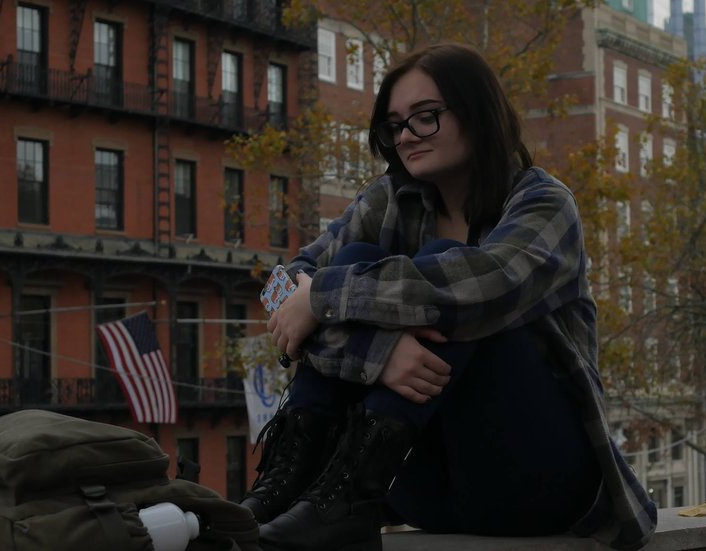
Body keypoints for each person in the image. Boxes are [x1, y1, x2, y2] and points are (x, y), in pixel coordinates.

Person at [240, 43, 657, 551]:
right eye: (395, 125)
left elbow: (482, 286)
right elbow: (281, 292)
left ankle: (340, 500)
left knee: (443, 266)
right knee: (354, 259)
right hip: (422, 489)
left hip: (538, 484)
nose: (406, 136)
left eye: (425, 117)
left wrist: (323, 297)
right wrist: (376, 353)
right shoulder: (388, 199)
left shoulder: (544, 203)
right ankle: (292, 487)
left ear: (477, 113)